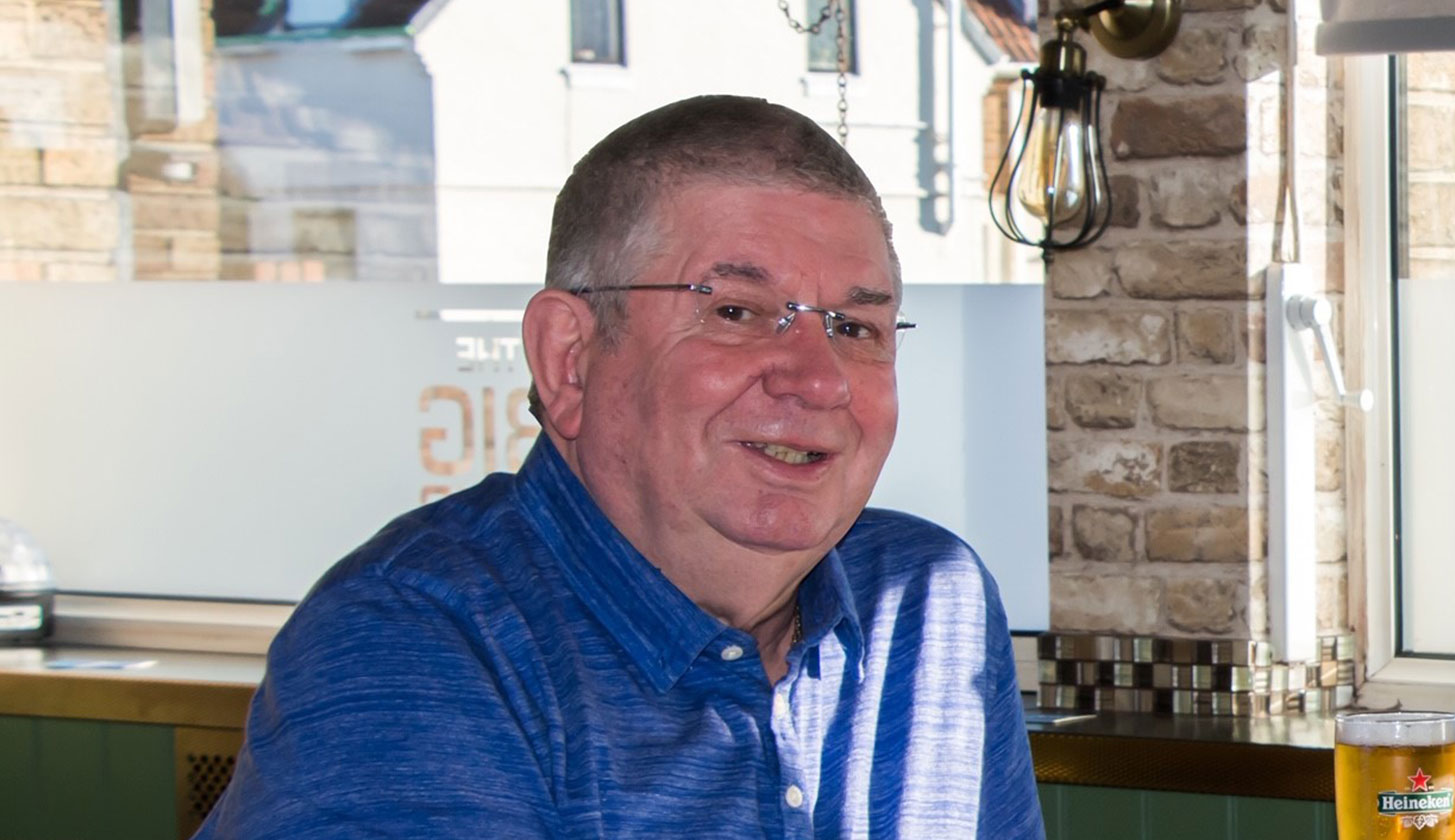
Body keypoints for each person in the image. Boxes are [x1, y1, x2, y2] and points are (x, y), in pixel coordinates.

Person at [197, 95, 1044, 839]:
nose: (818, 379)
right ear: (568, 359)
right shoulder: (416, 640)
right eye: (739, 312)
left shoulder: (928, 605)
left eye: (856, 329)